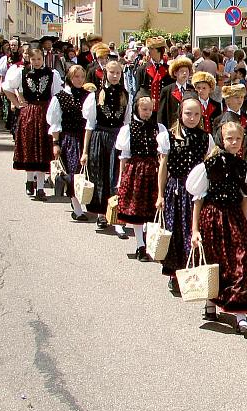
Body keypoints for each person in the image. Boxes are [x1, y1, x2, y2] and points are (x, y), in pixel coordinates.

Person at [187, 121, 247, 332]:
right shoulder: (208, 166)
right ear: (221, 139)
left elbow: (245, 199)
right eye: (230, 139)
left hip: (234, 218)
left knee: (241, 263)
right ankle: (211, 302)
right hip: (212, 218)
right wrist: (195, 229)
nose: (234, 142)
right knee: (214, 261)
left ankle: (240, 313)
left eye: (238, 139)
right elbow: (198, 201)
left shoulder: (245, 168)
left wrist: (244, 225)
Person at [156, 95, 215, 295]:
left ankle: (193, 272)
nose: (192, 117)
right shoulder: (169, 137)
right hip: (176, 189)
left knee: (196, 232)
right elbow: (163, 168)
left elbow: (209, 165)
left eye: (197, 114)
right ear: (180, 113)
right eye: (188, 113)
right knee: (177, 232)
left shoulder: (206, 138)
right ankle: (174, 274)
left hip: (198, 192)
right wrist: (160, 195)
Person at [2, 47, 63, 200]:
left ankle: (41, 188)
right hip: (28, 113)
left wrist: (56, 113)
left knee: (42, 149)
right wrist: (16, 103)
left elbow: (57, 95)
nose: (36, 62)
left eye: (39, 59)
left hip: (44, 113)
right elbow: (6, 87)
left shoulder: (52, 74)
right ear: (29, 59)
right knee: (30, 148)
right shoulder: (22, 72)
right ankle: (30, 180)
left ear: (43, 59)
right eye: (33, 59)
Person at [115, 94, 167, 261]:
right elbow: (124, 156)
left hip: (154, 170)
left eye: (150, 110)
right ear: (137, 109)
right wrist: (120, 179)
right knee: (136, 210)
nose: (147, 113)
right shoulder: (128, 129)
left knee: (152, 209)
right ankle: (140, 245)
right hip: (136, 170)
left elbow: (164, 155)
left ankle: (150, 242)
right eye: (144, 109)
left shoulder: (159, 128)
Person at [81, 60, 131, 230]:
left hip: (118, 138)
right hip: (100, 138)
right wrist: (85, 151)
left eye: (118, 73)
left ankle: (116, 215)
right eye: (112, 73)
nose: (115, 76)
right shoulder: (96, 95)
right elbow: (89, 125)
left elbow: (127, 123)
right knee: (100, 175)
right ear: (106, 74)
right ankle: (101, 214)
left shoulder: (126, 94)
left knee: (116, 176)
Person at [46, 65, 92, 218]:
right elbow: (54, 122)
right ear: (70, 78)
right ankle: (77, 209)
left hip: (86, 138)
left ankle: (87, 203)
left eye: (81, 77)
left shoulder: (90, 95)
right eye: (76, 77)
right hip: (70, 139)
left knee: (87, 173)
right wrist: (55, 143)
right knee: (73, 173)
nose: (79, 80)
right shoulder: (60, 97)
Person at [135, 37, 172, 117]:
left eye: (151, 48)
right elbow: (138, 91)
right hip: (147, 110)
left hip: (163, 109)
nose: (149, 51)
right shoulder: (142, 69)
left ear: (159, 50)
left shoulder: (169, 70)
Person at [158, 56, 194, 129]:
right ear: (175, 73)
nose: (184, 73)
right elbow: (161, 113)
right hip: (172, 126)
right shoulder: (167, 90)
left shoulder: (192, 89)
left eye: (186, 71)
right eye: (182, 71)